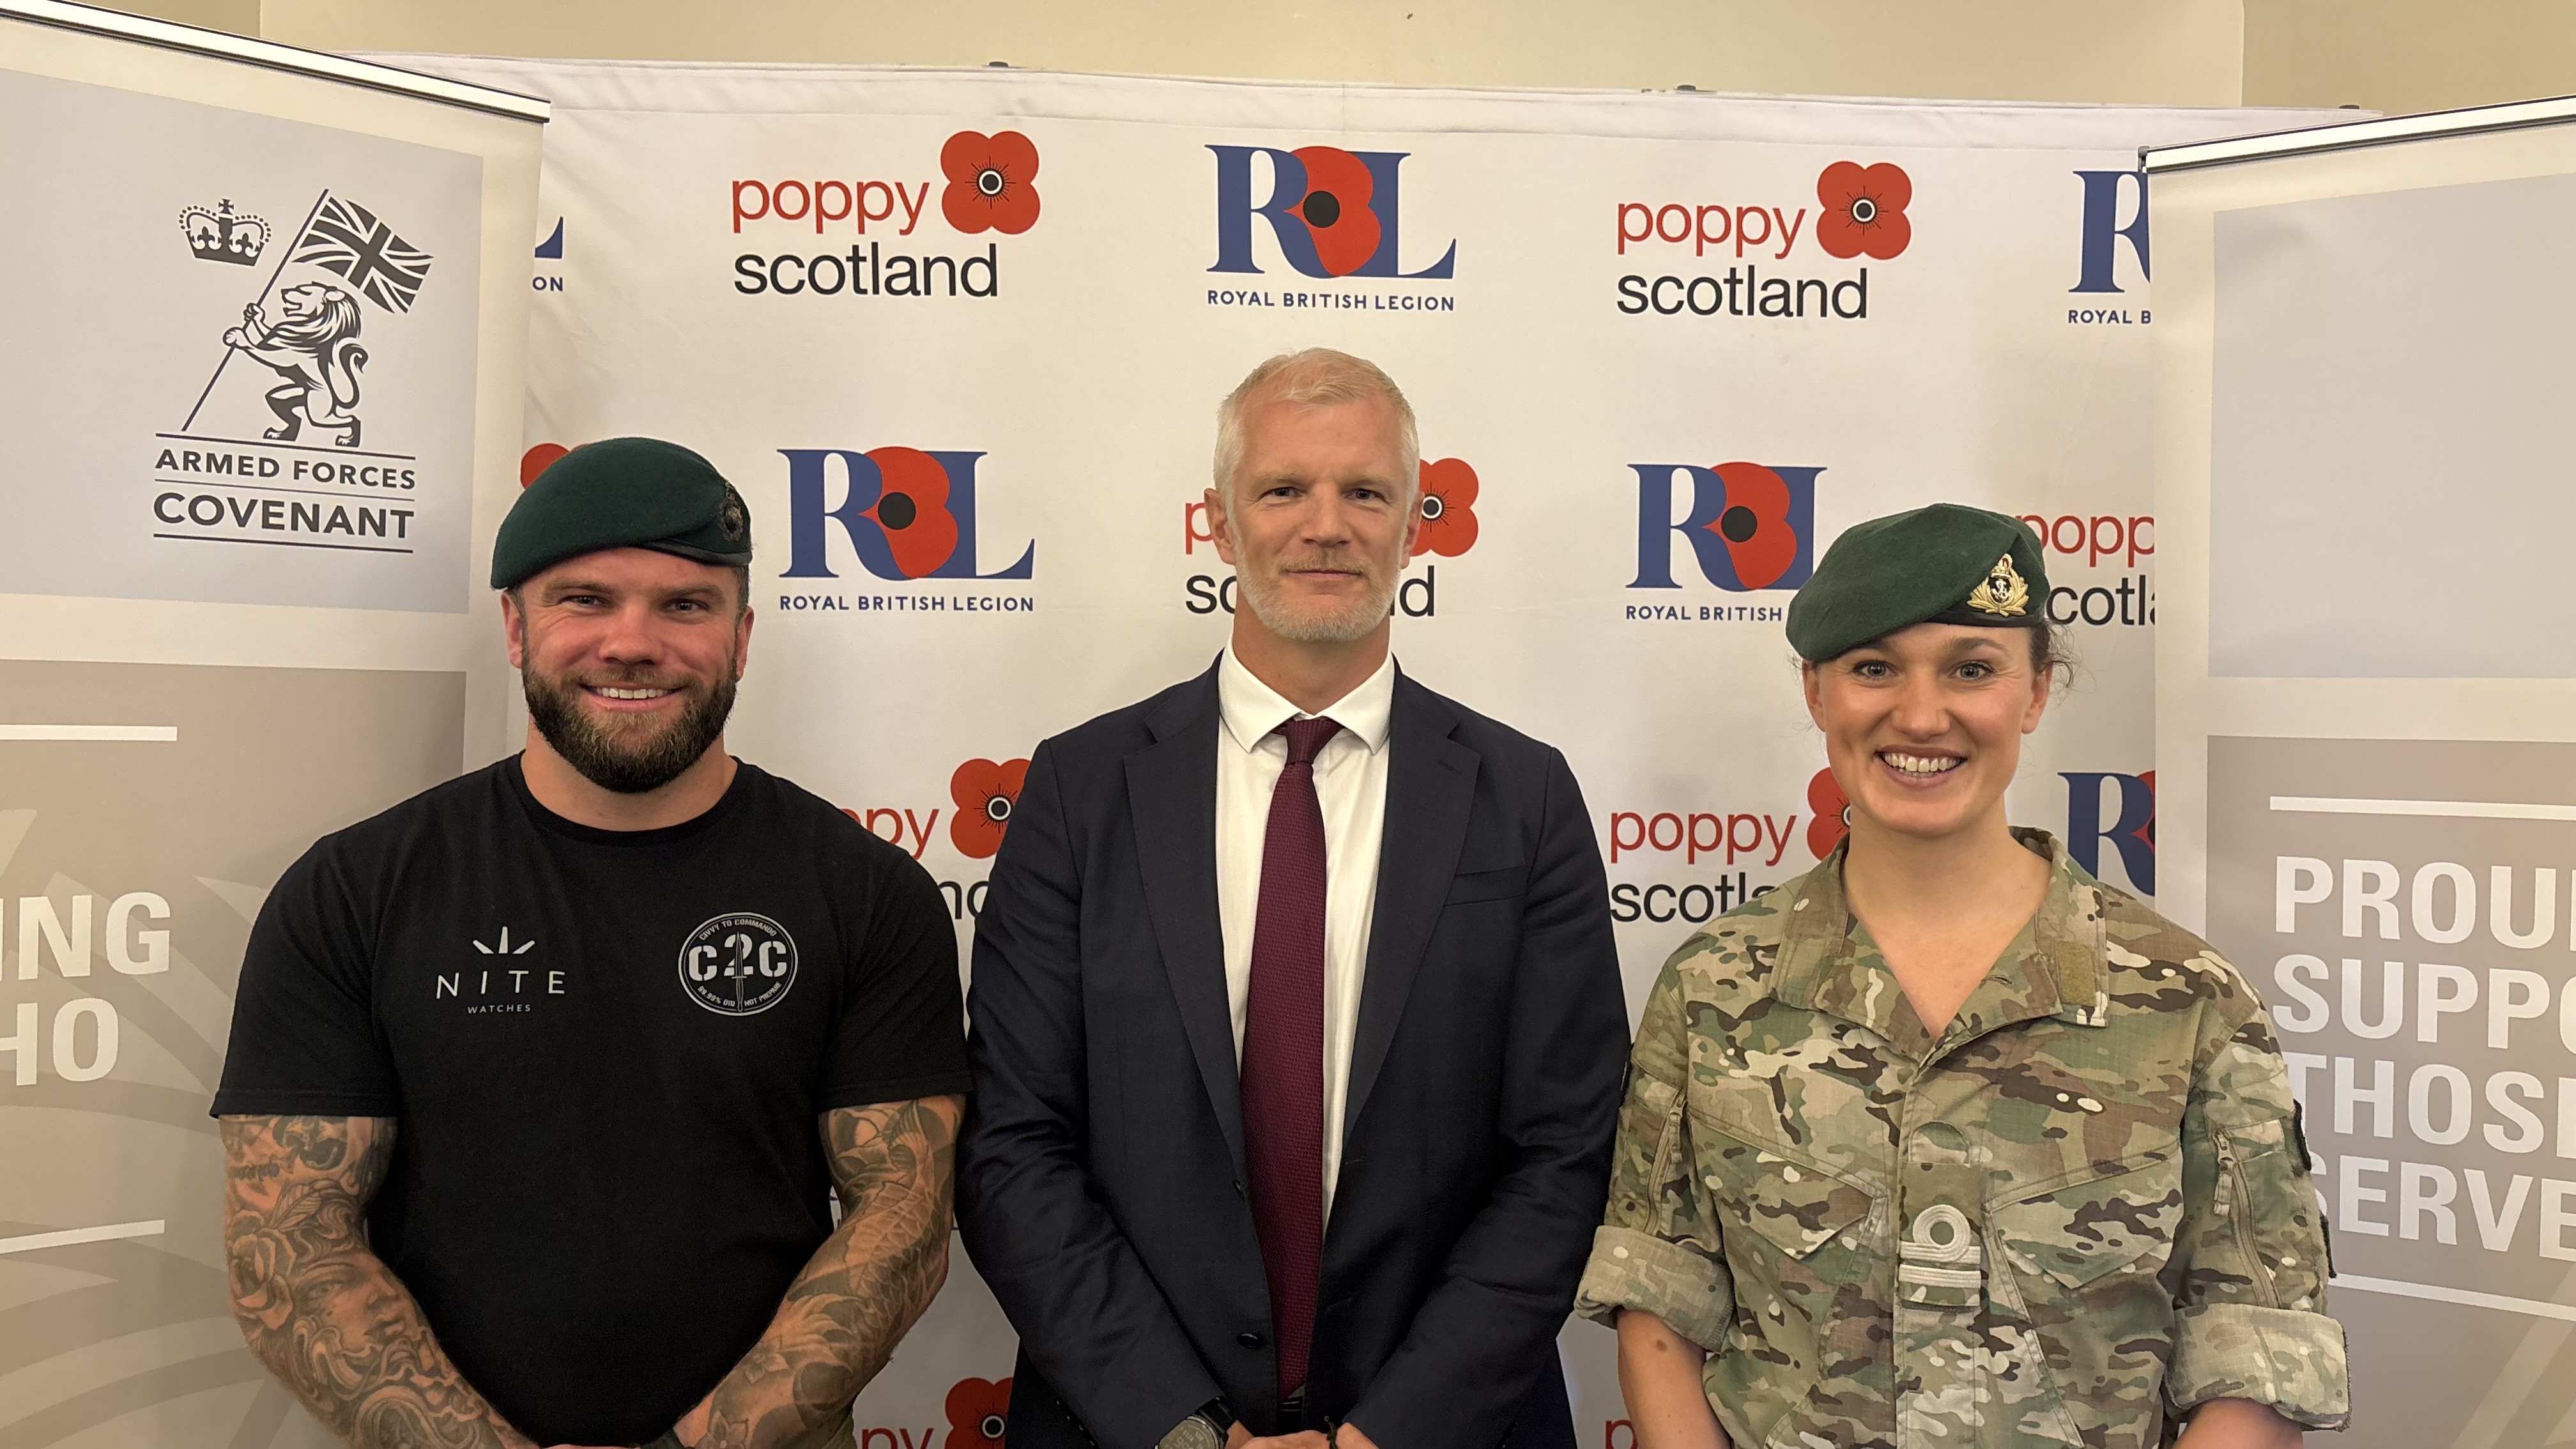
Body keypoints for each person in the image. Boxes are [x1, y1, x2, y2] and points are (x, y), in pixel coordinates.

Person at [212, 438, 969, 1449]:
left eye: (684, 605)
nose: (632, 642)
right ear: (515, 629)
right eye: (584, 600)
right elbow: (288, 1249)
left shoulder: (867, 893)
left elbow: (902, 1222)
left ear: (742, 639)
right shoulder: (355, 892)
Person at [956, 349, 1629, 1449]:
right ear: (1219, 524)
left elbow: (1566, 1153)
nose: (1328, 525)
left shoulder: (1524, 794)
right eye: (1283, 490)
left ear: (1416, 522)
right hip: (1129, 1427)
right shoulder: (1081, 790)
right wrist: (1175, 1426)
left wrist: (1390, 1433)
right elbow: (1014, 1145)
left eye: (1365, 491)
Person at [1575, 503, 2349, 1449]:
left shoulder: (2186, 998)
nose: (1921, 715)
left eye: (1972, 670)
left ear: (2034, 694)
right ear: (1817, 693)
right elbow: (1662, 1300)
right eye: (1874, 669)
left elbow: (2255, 1348)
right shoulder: (1718, 987)